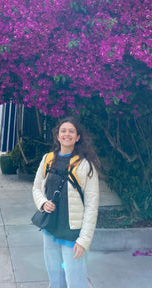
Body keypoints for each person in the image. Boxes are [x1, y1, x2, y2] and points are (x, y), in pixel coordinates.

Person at [32, 116, 100, 288]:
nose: (67, 134)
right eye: (63, 131)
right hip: (50, 229)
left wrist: (84, 240)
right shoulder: (47, 159)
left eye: (71, 131)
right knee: (55, 280)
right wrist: (42, 203)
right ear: (57, 135)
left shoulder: (85, 165)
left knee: (75, 281)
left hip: (72, 235)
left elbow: (92, 206)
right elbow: (37, 188)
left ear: (77, 137)